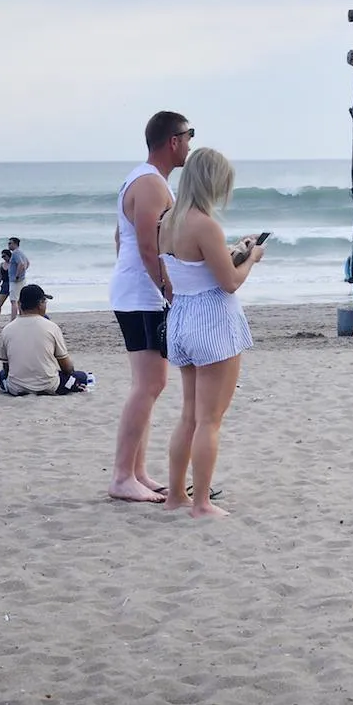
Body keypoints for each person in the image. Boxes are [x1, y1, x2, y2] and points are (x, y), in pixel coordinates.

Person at [157, 147, 262, 519]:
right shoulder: (205, 223)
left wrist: (234, 252)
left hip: (182, 316)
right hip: (211, 320)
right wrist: (251, 258)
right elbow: (230, 282)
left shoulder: (167, 220)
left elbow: (187, 270)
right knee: (209, 419)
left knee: (189, 415)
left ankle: (175, 495)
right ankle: (201, 502)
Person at [108, 110, 192, 503]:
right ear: (173, 141)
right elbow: (146, 245)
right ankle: (123, 475)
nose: (190, 144)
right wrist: (168, 291)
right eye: (188, 136)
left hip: (136, 291)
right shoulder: (151, 183)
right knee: (150, 384)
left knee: (148, 385)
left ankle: (137, 471)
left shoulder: (143, 179)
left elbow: (119, 239)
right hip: (142, 294)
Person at [0, 285, 91, 395]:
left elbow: (6, 367)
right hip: (49, 385)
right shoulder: (51, 327)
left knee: (2, 375)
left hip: (16, 387)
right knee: (81, 376)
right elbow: (66, 367)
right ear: (40, 304)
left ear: (20, 304)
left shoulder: (7, 329)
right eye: (45, 302)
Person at [7, 236, 30, 303]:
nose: (8, 245)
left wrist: (17, 275)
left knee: (13, 300)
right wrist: (23, 272)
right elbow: (27, 263)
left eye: (10, 243)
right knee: (19, 300)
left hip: (15, 280)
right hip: (21, 279)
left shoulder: (15, 253)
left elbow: (21, 264)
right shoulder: (20, 252)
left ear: (15, 244)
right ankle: (21, 313)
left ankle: (14, 314)